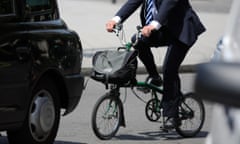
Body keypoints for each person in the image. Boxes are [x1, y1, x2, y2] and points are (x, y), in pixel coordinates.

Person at [106, 0, 206, 129]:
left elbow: (168, 4)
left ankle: (171, 116)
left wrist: (153, 25)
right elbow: (133, 2)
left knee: (169, 69)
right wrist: (116, 19)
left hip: (182, 30)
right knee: (137, 42)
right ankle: (154, 77)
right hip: (164, 30)